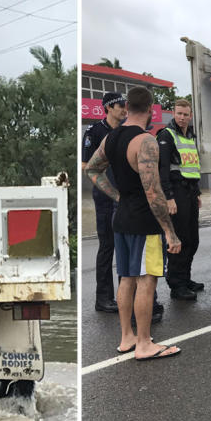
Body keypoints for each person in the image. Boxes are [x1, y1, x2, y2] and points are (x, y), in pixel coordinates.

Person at [85, 86, 181, 361]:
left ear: (127, 108)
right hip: (143, 222)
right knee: (146, 281)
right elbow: (153, 191)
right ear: (150, 110)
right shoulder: (146, 142)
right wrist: (170, 233)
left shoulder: (112, 137)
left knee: (127, 279)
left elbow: (92, 169)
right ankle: (144, 344)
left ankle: (127, 337)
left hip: (122, 218)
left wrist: (117, 195)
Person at [82, 92, 128, 313]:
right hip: (105, 199)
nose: (124, 108)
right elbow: (85, 166)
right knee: (107, 247)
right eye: (120, 105)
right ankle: (103, 298)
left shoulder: (125, 131)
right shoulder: (94, 132)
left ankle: (123, 296)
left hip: (124, 196)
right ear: (109, 107)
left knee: (124, 247)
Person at [156, 99, 202, 300]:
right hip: (176, 192)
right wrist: (169, 197)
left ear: (190, 115)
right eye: (179, 114)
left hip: (191, 192)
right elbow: (162, 170)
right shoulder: (167, 135)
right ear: (173, 114)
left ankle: (185, 278)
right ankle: (176, 285)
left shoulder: (190, 135)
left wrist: (198, 192)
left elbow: (193, 166)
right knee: (179, 239)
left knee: (193, 239)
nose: (182, 118)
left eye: (186, 114)